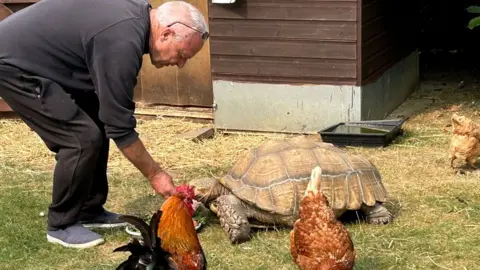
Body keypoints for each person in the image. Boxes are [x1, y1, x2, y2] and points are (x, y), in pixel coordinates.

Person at [0, 0, 209, 249]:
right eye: (183, 54)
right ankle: (61, 225)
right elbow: (120, 127)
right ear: (166, 33)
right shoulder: (122, 41)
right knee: (80, 138)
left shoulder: (134, 22)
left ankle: (89, 210)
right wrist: (156, 175)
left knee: (96, 123)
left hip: (45, 62)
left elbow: (109, 113)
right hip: (13, 64)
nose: (181, 64)